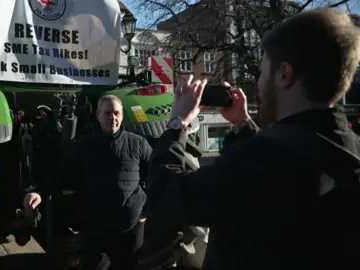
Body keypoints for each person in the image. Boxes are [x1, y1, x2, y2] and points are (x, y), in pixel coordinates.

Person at [146, 8, 360, 270]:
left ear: (284, 74)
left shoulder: (258, 163)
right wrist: (243, 124)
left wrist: (177, 124)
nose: (258, 84)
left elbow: (163, 197)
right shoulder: (350, 149)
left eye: (262, 71)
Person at [23, 95, 152, 270]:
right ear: (98, 114)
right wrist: (39, 192)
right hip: (98, 228)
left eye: (116, 113)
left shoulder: (138, 144)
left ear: (122, 116)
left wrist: (145, 211)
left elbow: (155, 178)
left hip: (131, 228)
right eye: (107, 113)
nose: (112, 118)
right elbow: (62, 173)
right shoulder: (86, 146)